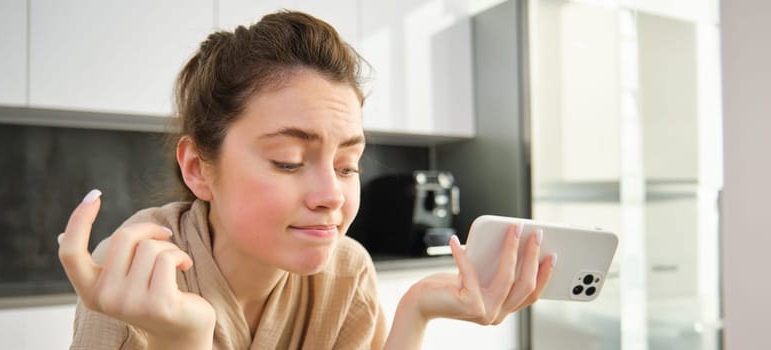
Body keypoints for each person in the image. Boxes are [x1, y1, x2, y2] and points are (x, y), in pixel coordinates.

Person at [58, 10, 555, 350]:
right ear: (197, 169)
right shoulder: (132, 278)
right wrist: (182, 341)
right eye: (289, 161)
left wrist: (418, 310)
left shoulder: (346, 271)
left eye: (347, 166)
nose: (332, 197)